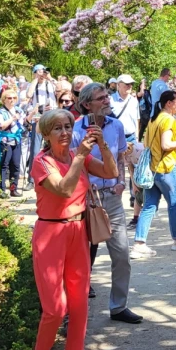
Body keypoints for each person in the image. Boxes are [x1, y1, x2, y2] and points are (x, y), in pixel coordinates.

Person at [28, 108, 118, 350]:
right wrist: (80, 156)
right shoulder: (41, 162)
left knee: (79, 304)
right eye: (58, 128)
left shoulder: (77, 155)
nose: (65, 132)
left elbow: (111, 172)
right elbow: (64, 189)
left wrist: (102, 144)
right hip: (51, 235)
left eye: (68, 126)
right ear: (46, 134)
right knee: (55, 309)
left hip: (79, 232)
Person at [72, 83, 142, 322]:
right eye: (101, 98)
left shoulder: (117, 126)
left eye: (107, 97)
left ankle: (119, 307)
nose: (107, 101)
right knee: (82, 258)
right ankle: (76, 312)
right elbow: (71, 164)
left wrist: (121, 182)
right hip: (84, 199)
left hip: (111, 197)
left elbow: (121, 156)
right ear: (86, 105)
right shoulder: (74, 129)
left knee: (122, 254)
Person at [132, 90, 176, 259]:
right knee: (174, 204)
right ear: (169, 103)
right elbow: (167, 144)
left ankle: (139, 244)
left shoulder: (155, 119)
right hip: (165, 168)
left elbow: (147, 143)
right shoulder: (168, 119)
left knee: (149, 206)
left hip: (152, 169)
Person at [23, 64, 58, 189]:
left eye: (43, 71)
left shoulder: (50, 83)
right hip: (38, 119)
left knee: (54, 148)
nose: (42, 73)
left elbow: (61, 88)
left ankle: (53, 175)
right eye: (38, 71)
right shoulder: (33, 84)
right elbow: (28, 94)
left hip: (52, 118)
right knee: (35, 150)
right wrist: (36, 78)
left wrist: (49, 77)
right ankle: (32, 179)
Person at [0, 90, 27, 197]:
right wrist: (12, 119)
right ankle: (2, 189)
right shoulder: (0, 112)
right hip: (5, 141)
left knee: (16, 165)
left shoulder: (19, 110)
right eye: (9, 98)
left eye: (14, 98)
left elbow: (23, 123)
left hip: (16, 141)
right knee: (4, 165)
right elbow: (0, 126)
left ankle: (13, 188)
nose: (12, 100)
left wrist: (31, 116)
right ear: (4, 100)